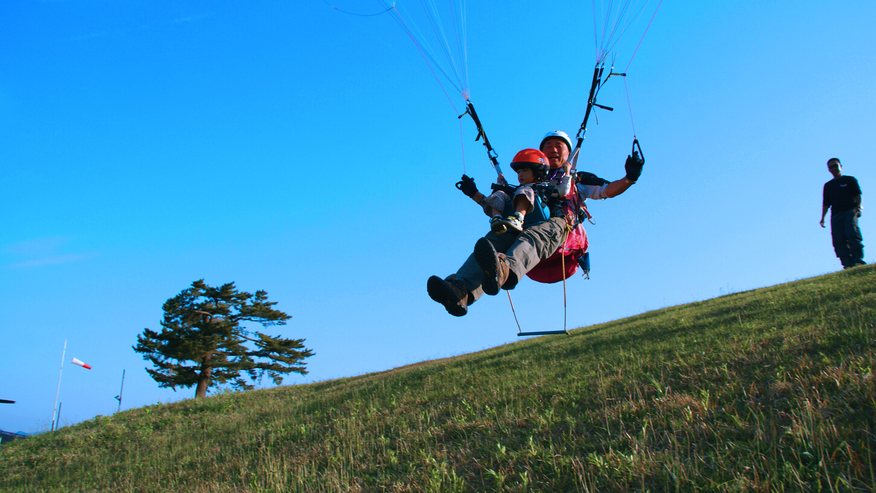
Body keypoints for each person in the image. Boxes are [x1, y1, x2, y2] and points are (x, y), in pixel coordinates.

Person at [427, 131, 643, 317]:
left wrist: (629, 178)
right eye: (548, 146)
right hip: (522, 225)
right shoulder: (528, 177)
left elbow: (607, 190)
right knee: (492, 241)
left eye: (559, 146)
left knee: (534, 235)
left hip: (558, 228)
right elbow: (501, 205)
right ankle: (460, 290)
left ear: (569, 153)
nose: (553, 149)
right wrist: (475, 194)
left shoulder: (575, 178)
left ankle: (503, 270)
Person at [820, 157, 865, 269]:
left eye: (836, 165)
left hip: (850, 210)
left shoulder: (850, 180)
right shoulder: (828, 186)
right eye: (831, 167)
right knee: (838, 239)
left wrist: (858, 207)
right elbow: (826, 203)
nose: (834, 168)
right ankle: (847, 264)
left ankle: (858, 260)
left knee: (852, 232)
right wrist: (823, 218)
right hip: (836, 214)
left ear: (841, 166)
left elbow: (858, 194)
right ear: (828, 170)